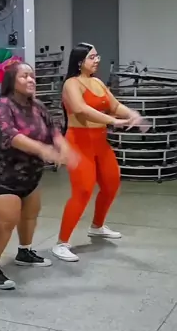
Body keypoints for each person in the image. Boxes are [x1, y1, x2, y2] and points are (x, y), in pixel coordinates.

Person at [0, 61, 76, 289]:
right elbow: (11, 136)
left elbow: (53, 130)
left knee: (30, 214)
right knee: (7, 219)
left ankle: (24, 252)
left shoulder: (38, 106)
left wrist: (63, 148)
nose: (31, 80)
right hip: (1, 174)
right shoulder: (1, 106)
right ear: (11, 81)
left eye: (32, 76)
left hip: (30, 174)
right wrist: (43, 150)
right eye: (24, 76)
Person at [52, 43, 144, 262]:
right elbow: (81, 109)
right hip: (79, 143)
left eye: (97, 56)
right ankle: (62, 243)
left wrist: (131, 114)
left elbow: (114, 105)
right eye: (92, 57)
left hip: (100, 143)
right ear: (79, 61)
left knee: (111, 184)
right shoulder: (71, 84)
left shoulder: (98, 82)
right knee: (83, 191)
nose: (97, 60)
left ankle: (97, 226)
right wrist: (113, 121)